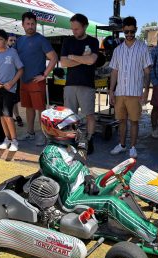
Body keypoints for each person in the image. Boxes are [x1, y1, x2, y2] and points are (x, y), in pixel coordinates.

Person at [39, 106, 158, 244]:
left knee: (126, 175)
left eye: (74, 126)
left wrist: (88, 177)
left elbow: (82, 168)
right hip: (70, 199)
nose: (74, 130)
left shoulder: (68, 147)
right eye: (68, 127)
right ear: (51, 129)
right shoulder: (50, 153)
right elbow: (68, 175)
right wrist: (81, 154)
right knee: (111, 202)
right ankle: (154, 235)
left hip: (83, 189)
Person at [109, 16, 152, 159]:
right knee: (121, 120)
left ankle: (132, 147)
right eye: (126, 31)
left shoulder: (143, 48)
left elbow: (147, 71)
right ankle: (122, 145)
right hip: (120, 91)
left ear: (136, 30)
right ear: (122, 30)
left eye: (132, 31)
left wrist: (146, 91)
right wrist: (111, 91)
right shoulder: (118, 50)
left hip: (135, 92)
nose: (129, 34)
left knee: (134, 121)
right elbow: (114, 71)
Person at [14, 12, 58, 146]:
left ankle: (44, 135)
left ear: (36, 24)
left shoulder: (41, 39)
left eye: (33, 23)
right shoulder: (19, 41)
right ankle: (30, 132)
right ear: (23, 25)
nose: (30, 26)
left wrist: (44, 75)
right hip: (24, 80)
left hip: (36, 80)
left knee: (41, 109)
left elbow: (54, 57)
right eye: (27, 24)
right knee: (28, 107)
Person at [60, 13, 99, 155]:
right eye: (72, 28)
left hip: (87, 84)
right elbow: (63, 62)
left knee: (89, 114)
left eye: (76, 28)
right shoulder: (68, 41)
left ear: (85, 26)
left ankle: (89, 140)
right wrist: (84, 58)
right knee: (70, 116)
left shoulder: (93, 41)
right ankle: (73, 140)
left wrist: (73, 58)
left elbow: (92, 60)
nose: (74, 31)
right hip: (70, 84)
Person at [0, 29, 24, 152]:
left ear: (5, 40)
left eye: (1, 39)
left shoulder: (12, 52)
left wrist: (12, 83)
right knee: (1, 116)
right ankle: (7, 139)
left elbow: (20, 69)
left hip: (9, 89)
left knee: (8, 115)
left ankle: (14, 141)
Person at [7, 33, 24, 128]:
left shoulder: (17, 51)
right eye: (11, 40)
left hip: (15, 79)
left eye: (14, 40)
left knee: (15, 100)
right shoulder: (3, 51)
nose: (13, 42)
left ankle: (17, 116)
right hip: (5, 80)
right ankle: (12, 116)